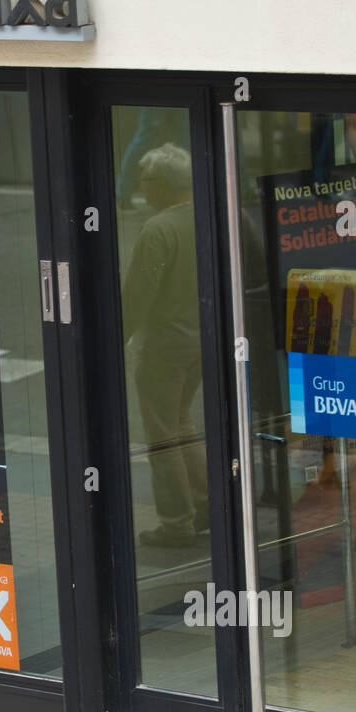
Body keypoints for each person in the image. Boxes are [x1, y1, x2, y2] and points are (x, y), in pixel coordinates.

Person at [121, 144, 209, 548]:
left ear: (157, 185)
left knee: (162, 435)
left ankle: (176, 521)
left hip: (165, 349)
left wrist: (115, 339)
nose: (140, 188)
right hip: (200, 341)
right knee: (182, 424)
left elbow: (138, 295)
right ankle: (206, 503)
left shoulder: (158, 229)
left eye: (143, 181)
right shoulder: (205, 218)